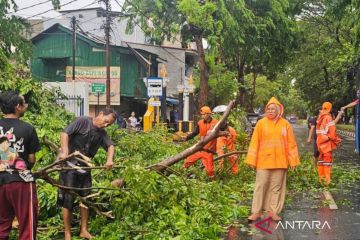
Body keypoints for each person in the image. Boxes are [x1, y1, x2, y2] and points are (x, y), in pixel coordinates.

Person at [58, 108, 116, 240]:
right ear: (101, 114)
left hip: (85, 170)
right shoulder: (83, 121)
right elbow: (64, 133)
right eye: (106, 121)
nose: (106, 125)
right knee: (68, 200)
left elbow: (110, 146)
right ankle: (67, 233)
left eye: (109, 124)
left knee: (86, 199)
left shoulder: (102, 133)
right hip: (69, 167)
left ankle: (83, 230)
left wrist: (109, 160)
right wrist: (65, 152)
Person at [245, 97, 299, 222]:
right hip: (263, 161)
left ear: (279, 110)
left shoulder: (285, 124)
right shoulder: (261, 123)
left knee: (276, 188)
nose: (270, 111)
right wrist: (252, 161)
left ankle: (272, 212)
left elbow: (291, 144)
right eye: (268, 109)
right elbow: (254, 143)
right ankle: (256, 212)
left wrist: (293, 161)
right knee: (260, 185)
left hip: (280, 162)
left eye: (272, 109)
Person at [0, 91, 41, 240]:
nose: (26, 106)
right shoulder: (28, 129)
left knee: (2, 224)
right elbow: (31, 159)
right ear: (18, 106)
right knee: (27, 223)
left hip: (0, 180)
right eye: (24, 103)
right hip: (20, 181)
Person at [182, 106, 218, 179]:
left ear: (209, 114)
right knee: (187, 162)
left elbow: (224, 129)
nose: (202, 116)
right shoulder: (200, 123)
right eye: (202, 115)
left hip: (209, 151)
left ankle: (213, 183)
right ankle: (181, 175)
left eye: (204, 114)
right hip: (200, 148)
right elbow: (194, 133)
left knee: (210, 171)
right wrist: (186, 138)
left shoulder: (216, 123)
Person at [315, 102, 341, 185]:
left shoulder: (320, 117)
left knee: (321, 161)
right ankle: (327, 180)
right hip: (326, 143)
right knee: (327, 162)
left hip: (320, 143)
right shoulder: (328, 118)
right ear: (330, 108)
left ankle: (321, 179)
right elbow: (332, 133)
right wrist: (338, 140)